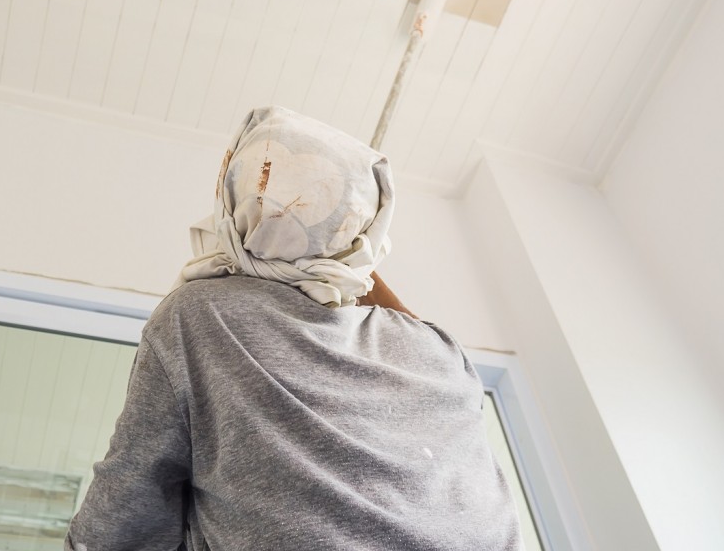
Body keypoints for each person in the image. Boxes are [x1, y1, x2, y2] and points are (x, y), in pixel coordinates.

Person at [65, 106, 520, 550]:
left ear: (231, 195)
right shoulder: (438, 350)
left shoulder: (201, 315)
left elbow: (122, 522)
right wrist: (351, 257)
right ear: (369, 230)